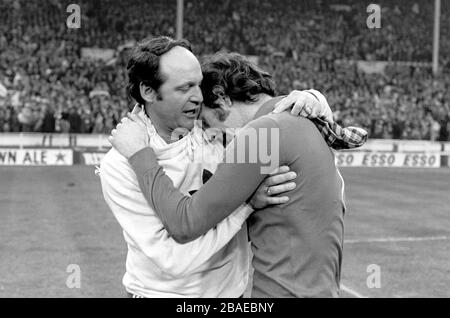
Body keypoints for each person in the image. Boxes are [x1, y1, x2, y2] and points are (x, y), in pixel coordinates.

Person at [109, 51, 367, 297]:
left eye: (208, 122)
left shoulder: (261, 134)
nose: (212, 135)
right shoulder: (305, 121)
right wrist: (316, 97)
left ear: (222, 97)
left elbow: (185, 223)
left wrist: (140, 153)